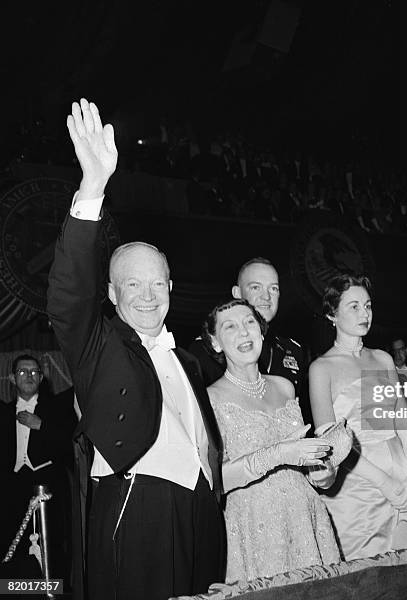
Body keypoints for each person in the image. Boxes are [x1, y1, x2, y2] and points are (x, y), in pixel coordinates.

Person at [47, 99, 224, 600]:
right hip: (136, 505)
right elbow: (66, 296)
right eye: (132, 285)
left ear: (171, 286)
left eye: (157, 284)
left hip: (200, 509)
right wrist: (93, 186)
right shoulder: (96, 344)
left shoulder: (188, 359)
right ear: (111, 294)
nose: (147, 296)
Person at [309, 274, 407, 561]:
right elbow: (331, 445)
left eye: (368, 305)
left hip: (404, 468)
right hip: (359, 478)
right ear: (331, 314)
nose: (364, 314)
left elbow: (403, 419)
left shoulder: (383, 359)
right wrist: (385, 483)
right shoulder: (321, 368)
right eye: (354, 306)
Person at [204, 298, 340, 581]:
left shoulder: (285, 386)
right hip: (253, 527)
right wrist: (277, 454)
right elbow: (214, 481)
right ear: (215, 342)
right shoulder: (208, 399)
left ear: (262, 332)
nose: (243, 332)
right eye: (230, 327)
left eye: (250, 322)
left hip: (304, 519)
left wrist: (322, 473)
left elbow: (303, 464)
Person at [0, 354, 76, 580]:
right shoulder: (3, 412)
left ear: (41, 378)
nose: (29, 376)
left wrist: (40, 425)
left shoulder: (58, 408)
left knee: (50, 550)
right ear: (13, 379)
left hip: (48, 491)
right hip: (11, 492)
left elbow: (70, 446)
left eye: (34, 372)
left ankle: (51, 594)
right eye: (22, 372)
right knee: (11, 549)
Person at [231, 257, 311, 425]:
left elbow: (378, 424)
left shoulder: (295, 351)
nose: (266, 296)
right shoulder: (214, 349)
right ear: (237, 294)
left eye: (273, 289)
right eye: (255, 287)